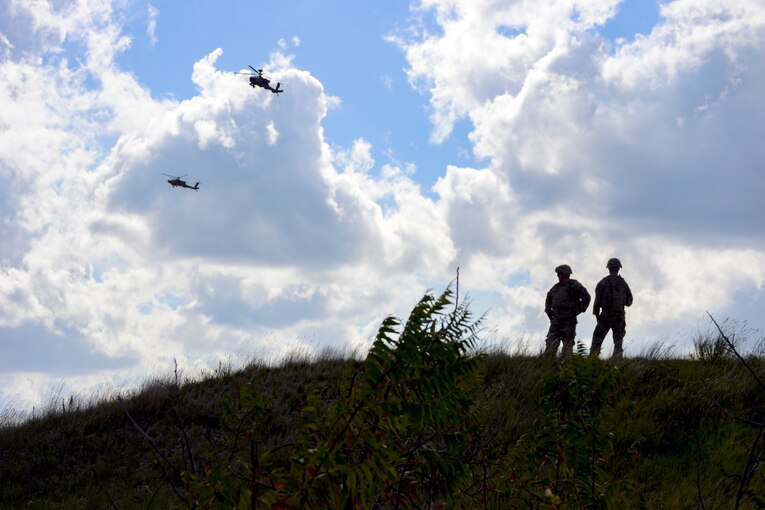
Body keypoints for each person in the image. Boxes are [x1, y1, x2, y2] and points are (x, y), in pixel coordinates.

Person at [590, 258, 633, 360]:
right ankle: (617, 359)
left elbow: (597, 301)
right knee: (618, 340)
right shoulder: (623, 283)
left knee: (598, 337)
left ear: (608, 268)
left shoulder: (603, 283)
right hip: (620, 315)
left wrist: (597, 314)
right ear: (619, 268)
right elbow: (629, 302)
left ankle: (592, 359)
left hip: (606, 315)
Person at [544, 264, 591, 357]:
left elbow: (586, 297)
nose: (558, 276)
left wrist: (578, 310)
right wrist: (548, 311)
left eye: (560, 273)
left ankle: (566, 364)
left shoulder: (574, 285)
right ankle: (548, 363)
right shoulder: (556, 287)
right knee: (551, 342)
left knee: (567, 344)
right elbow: (548, 298)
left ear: (565, 274)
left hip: (568, 319)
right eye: (558, 274)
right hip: (556, 319)